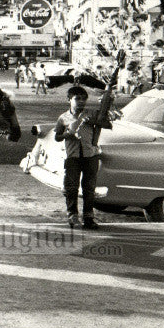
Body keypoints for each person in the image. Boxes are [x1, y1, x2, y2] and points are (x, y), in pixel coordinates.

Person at [54, 85, 111, 229]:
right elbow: (57, 137)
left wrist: (92, 121)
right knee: (71, 188)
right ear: (69, 100)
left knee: (89, 188)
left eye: (84, 99)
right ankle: (72, 216)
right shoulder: (63, 117)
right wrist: (69, 134)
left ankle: (88, 218)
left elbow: (107, 124)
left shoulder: (92, 113)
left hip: (90, 155)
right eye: (77, 99)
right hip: (72, 157)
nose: (81, 102)